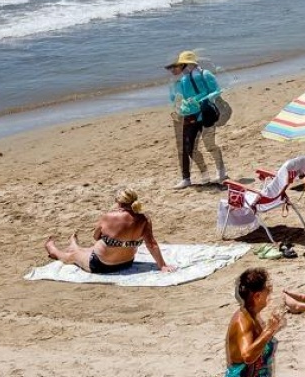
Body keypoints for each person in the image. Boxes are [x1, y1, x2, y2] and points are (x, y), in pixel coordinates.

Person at [44, 188, 173, 274]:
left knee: (72, 257)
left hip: (101, 265)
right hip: (126, 263)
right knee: (91, 249)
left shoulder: (108, 217)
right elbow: (151, 244)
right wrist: (162, 266)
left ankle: (54, 250)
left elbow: (96, 237)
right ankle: (74, 245)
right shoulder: (144, 219)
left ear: (118, 202)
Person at [167, 50, 227, 189]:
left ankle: (221, 171)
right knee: (187, 147)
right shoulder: (182, 80)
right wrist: (179, 101)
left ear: (191, 64)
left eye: (185, 64)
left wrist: (200, 99)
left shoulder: (205, 74)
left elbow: (216, 90)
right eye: (181, 65)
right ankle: (186, 178)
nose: (183, 68)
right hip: (189, 115)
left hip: (205, 113)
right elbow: (177, 98)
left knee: (210, 145)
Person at [220, 268, 284, 377]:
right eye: (267, 289)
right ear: (257, 296)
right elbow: (248, 355)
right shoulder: (243, 321)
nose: (270, 291)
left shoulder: (252, 315)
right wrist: (269, 331)